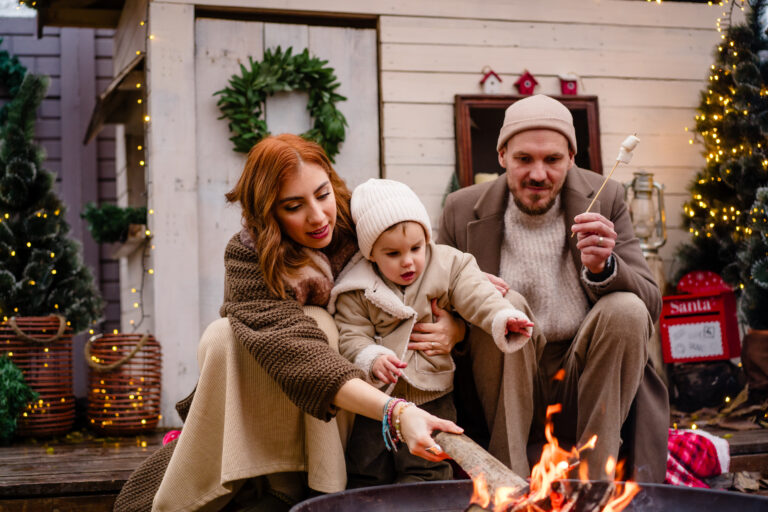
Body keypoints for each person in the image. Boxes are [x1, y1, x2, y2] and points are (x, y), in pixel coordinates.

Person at [114, 134, 464, 512]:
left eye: (323, 194)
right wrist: (397, 412)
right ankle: (267, 475)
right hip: (288, 378)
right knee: (237, 332)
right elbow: (299, 352)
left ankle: (319, 480)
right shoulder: (249, 255)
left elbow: (440, 269)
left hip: (369, 387)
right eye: (294, 206)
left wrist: (457, 327)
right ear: (269, 213)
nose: (317, 216)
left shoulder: (368, 225)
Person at [438, 94, 669, 482]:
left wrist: (605, 267)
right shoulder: (461, 210)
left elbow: (649, 305)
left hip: (583, 376)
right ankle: (506, 486)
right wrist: (459, 312)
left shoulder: (606, 196)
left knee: (626, 309)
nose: (538, 174)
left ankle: (594, 487)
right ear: (501, 156)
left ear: (572, 158)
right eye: (524, 159)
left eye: (553, 160)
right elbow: (432, 294)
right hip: (501, 378)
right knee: (502, 305)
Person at [329, 178, 534, 488]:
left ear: (426, 238)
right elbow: (350, 334)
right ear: (371, 254)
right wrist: (371, 357)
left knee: (429, 467)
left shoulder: (446, 265)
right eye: (393, 254)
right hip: (379, 400)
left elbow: (475, 292)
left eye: (415, 247)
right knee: (367, 468)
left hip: (432, 394)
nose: (409, 260)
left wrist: (501, 316)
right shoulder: (357, 288)